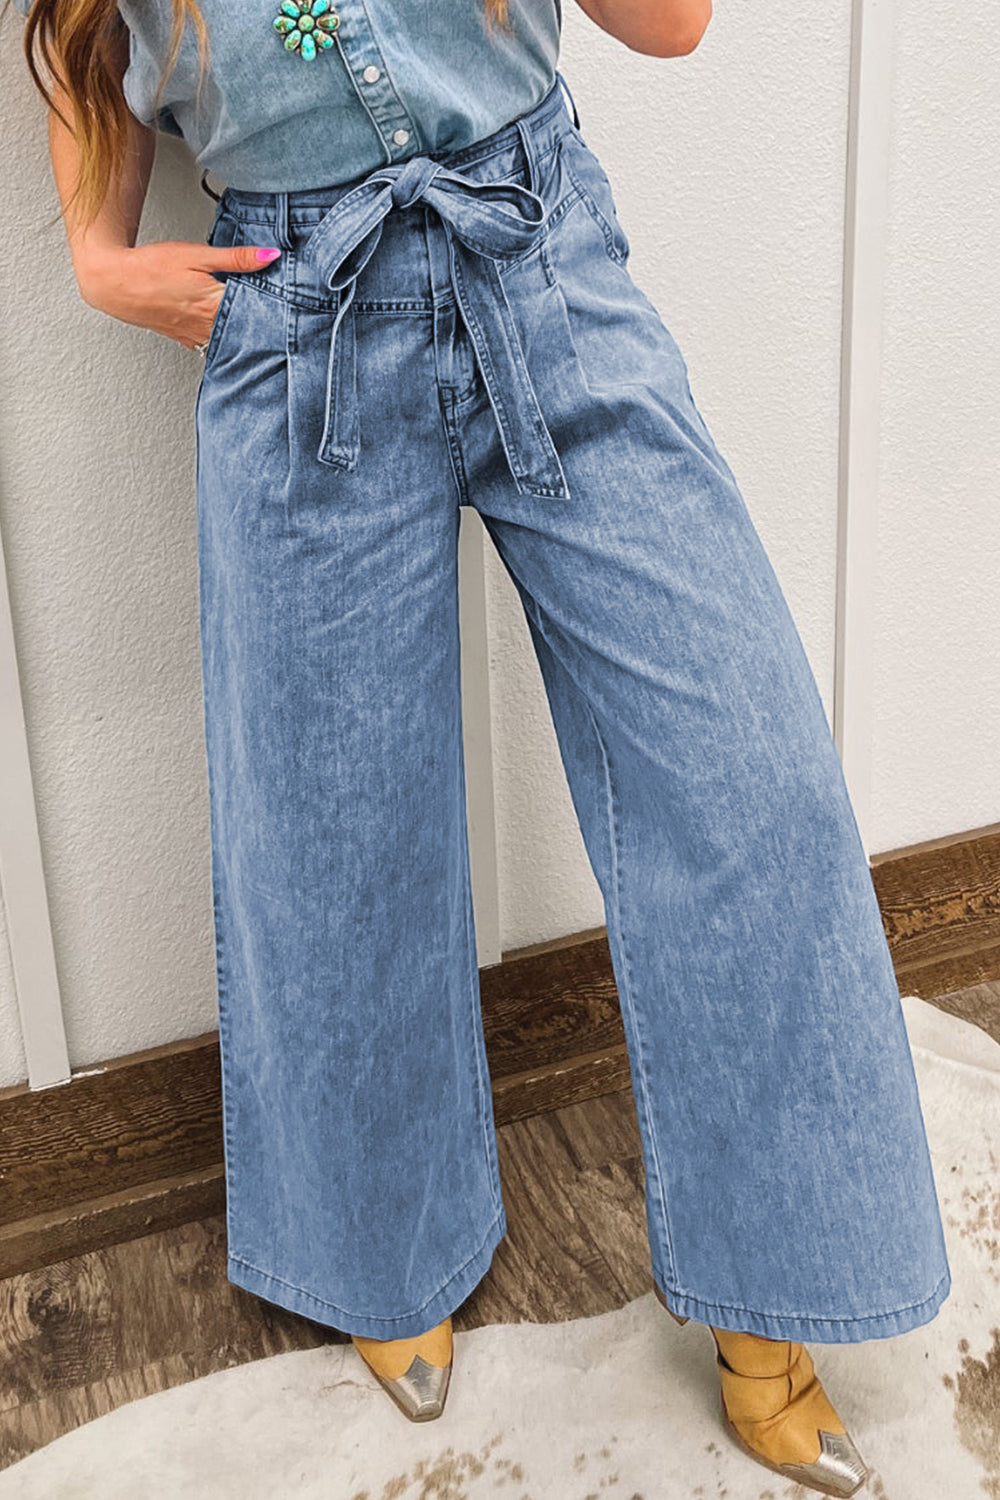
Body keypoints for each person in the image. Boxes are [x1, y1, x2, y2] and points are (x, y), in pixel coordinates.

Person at [8, 0, 951, 1493]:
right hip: (300, 326)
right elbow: (74, 31)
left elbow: (675, 27)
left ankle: (778, 1295)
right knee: (336, 830)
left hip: (541, 262)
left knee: (742, 775)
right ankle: (385, 1249)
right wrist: (98, 257)